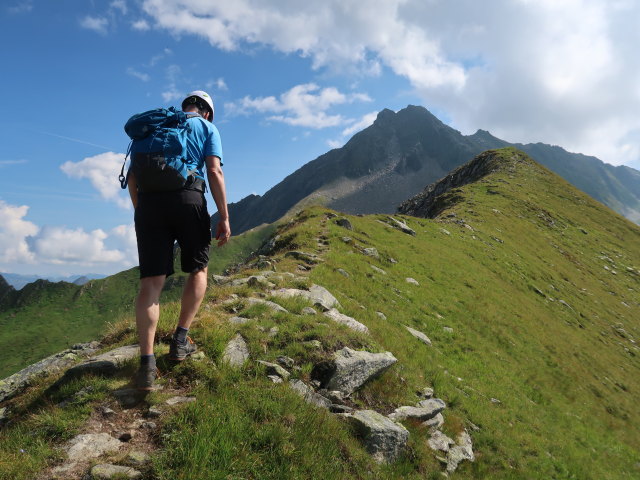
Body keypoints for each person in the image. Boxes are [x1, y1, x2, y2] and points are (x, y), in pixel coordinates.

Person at [127, 90, 231, 390]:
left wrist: (141, 212)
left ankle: (147, 367)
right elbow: (214, 170)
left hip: (148, 204)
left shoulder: (153, 125)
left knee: (150, 284)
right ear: (207, 112)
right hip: (188, 198)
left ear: (186, 106)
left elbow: (132, 178)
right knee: (198, 270)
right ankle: (180, 340)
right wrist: (223, 217)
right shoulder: (207, 128)